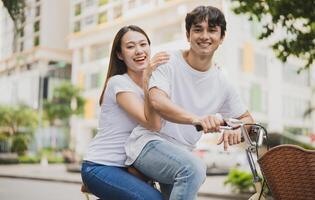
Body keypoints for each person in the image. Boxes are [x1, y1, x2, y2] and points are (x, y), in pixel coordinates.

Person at [125, 5, 254, 200]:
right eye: (198, 29)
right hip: (148, 144)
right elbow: (157, 101)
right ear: (188, 35)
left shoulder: (222, 82)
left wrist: (239, 128)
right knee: (194, 168)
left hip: (181, 154)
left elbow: (247, 119)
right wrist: (198, 119)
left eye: (212, 30)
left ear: (222, 37)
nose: (205, 36)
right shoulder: (168, 61)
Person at [81, 25, 169, 200]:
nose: (139, 51)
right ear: (120, 55)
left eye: (143, 44)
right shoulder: (118, 83)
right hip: (101, 166)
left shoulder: (157, 82)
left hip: (132, 168)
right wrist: (147, 79)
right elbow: (153, 124)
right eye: (130, 46)